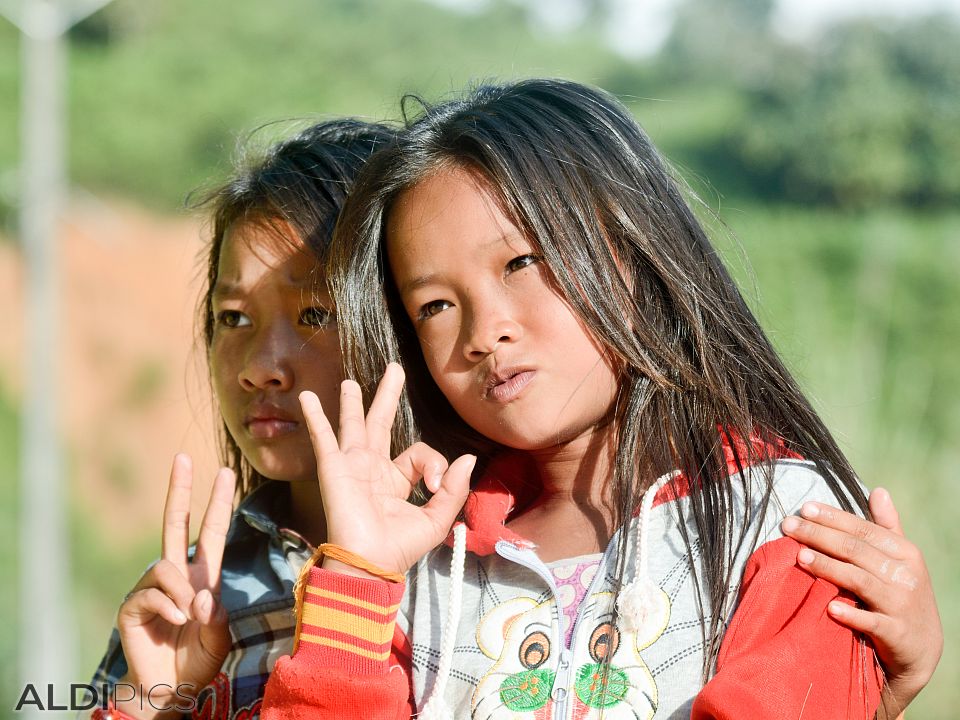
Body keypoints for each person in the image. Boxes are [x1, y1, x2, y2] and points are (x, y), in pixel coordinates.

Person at [260, 79, 942, 720]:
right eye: (435, 304)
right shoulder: (422, 563)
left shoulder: (789, 521)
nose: (484, 331)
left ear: (636, 250)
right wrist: (359, 580)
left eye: (522, 263)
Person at [85, 118, 396, 720]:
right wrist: (148, 705)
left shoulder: (483, 565)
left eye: (313, 312)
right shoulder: (193, 599)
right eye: (233, 317)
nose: (258, 369)